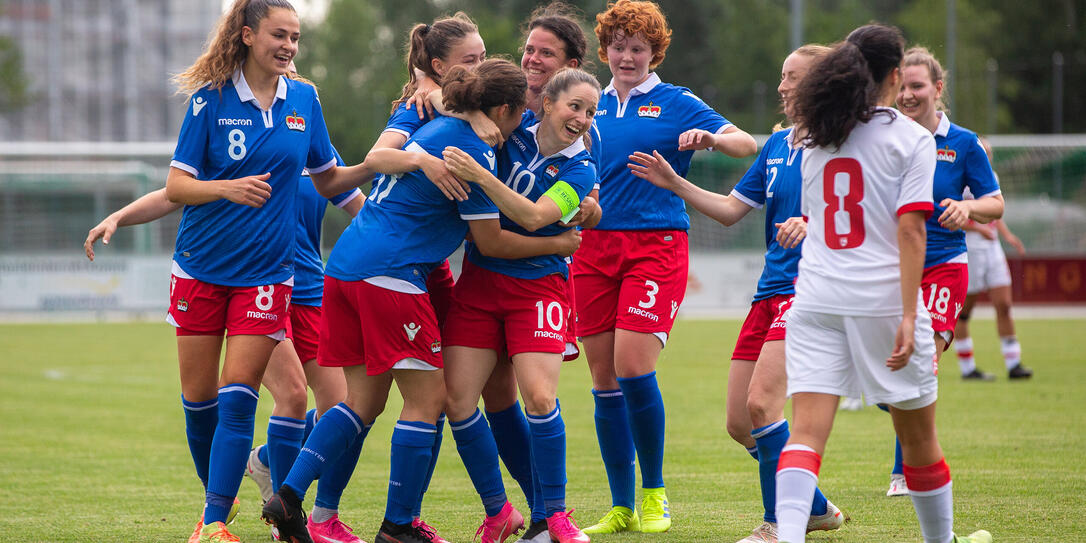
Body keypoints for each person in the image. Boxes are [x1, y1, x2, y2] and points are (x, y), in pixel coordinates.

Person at [260, 59, 579, 543]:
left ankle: (288, 496)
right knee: (431, 400)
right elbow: (490, 242)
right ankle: (397, 526)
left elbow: (381, 156)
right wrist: (558, 245)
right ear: (508, 108)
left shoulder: (439, 126)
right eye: (522, 113)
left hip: (345, 266)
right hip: (393, 274)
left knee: (360, 403)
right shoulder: (474, 151)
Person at [772, 24, 991, 543]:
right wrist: (912, 316)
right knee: (919, 439)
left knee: (805, 435)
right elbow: (911, 230)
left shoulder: (812, 135)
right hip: (883, 303)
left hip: (816, 298)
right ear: (895, 75)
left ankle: (788, 538)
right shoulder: (911, 138)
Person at [163, 1, 371, 541]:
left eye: (296, 38)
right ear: (249, 35)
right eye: (280, 35)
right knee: (200, 401)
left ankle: (211, 524)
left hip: (266, 276)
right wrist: (227, 188)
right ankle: (218, 500)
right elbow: (177, 188)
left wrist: (378, 177)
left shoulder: (304, 99)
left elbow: (328, 177)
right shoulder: (208, 101)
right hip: (200, 270)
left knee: (240, 396)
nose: (289, 46)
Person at [627, 44, 846, 543]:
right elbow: (729, 210)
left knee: (764, 406)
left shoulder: (841, 147)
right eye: (782, 75)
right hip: (768, 292)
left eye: (792, 77)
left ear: (821, 85)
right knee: (739, 423)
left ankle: (777, 524)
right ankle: (813, 506)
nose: (781, 86)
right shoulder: (778, 145)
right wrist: (673, 181)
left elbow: (861, 216)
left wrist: (813, 224)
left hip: (811, 291)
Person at [84, 162, 364, 543]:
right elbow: (175, 193)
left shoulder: (317, 150)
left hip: (311, 292)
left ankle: (266, 464)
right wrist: (119, 216)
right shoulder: (247, 139)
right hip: (259, 286)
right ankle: (286, 518)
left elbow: (362, 210)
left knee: (344, 408)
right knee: (293, 395)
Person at [573, 0, 757, 534]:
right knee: (604, 379)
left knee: (634, 365)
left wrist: (711, 138)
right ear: (605, 49)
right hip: (591, 249)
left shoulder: (676, 101)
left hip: (656, 247)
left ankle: (655, 493)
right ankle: (621, 505)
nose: (627, 56)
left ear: (655, 53)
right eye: (619, 46)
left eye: (639, 48)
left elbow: (744, 144)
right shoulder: (590, 102)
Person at [439, 67, 601, 543]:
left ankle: (557, 517)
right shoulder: (509, 134)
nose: (582, 118)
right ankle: (497, 512)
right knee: (457, 402)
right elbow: (446, 107)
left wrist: (480, 175)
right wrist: (471, 112)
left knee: (540, 398)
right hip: (480, 285)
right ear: (546, 103)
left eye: (590, 112)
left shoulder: (581, 167)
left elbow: (533, 217)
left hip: (539, 291)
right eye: (575, 106)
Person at [878, 46, 1005, 499]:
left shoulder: (963, 143)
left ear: (937, 88)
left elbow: (996, 203)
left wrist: (967, 205)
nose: (909, 96)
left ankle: (904, 472)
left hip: (944, 266)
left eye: (918, 87)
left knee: (917, 363)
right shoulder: (883, 135)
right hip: (889, 267)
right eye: (903, 87)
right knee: (879, 371)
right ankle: (911, 446)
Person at [955, 138, 1033, 380]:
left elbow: (994, 213)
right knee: (964, 312)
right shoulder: (959, 179)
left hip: (992, 249)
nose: (986, 158)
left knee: (1004, 305)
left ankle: (1013, 364)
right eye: (983, 153)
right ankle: (968, 368)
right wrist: (976, 229)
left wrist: (1007, 236)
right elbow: (951, 214)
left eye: (989, 153)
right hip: (970, 249)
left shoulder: (992, 177)